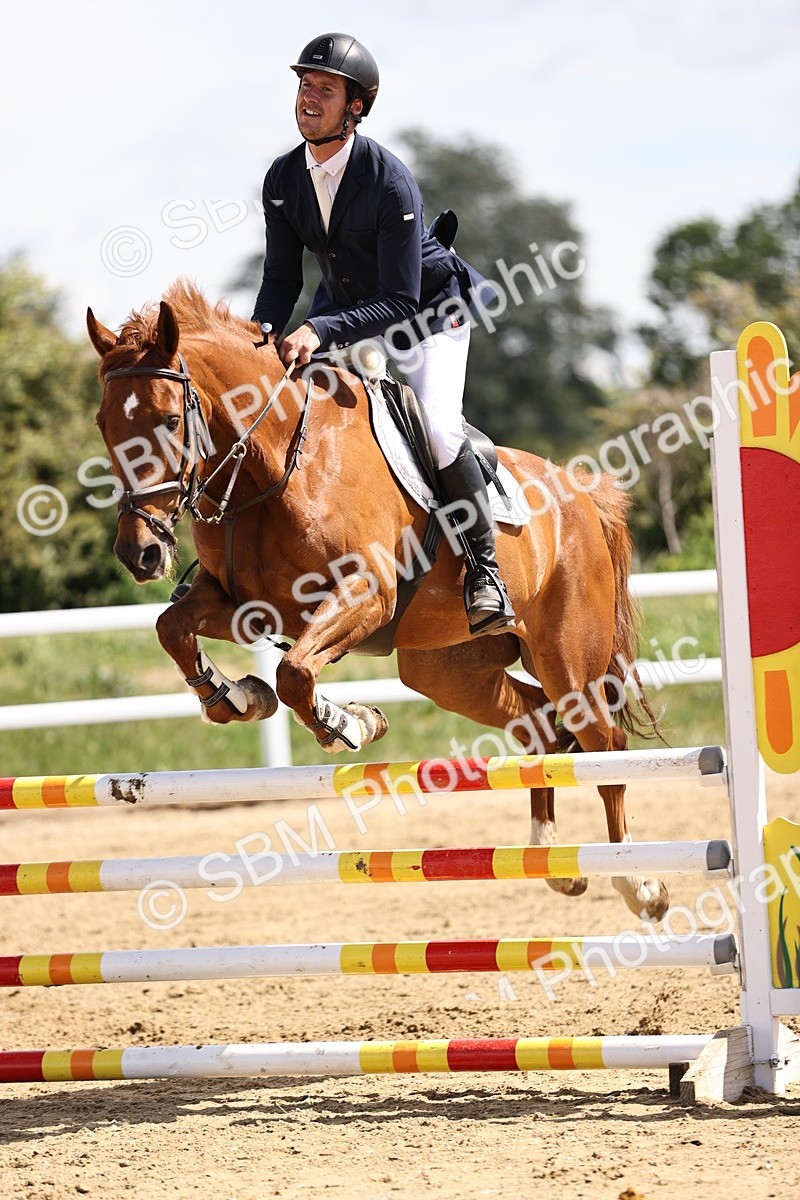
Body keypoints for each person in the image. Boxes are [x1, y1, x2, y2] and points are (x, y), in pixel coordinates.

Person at [252, 32, 515, 636]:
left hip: (426, 317)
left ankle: (485, 571)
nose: (308, 98)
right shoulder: (283, 178)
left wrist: (317, 329)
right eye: (303, 86)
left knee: (439, 426)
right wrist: (260, 336)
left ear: (356, 107)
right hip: (348, 316)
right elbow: (280, 278)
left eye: (324, 89)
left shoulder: (389, 181)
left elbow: (398, 298)